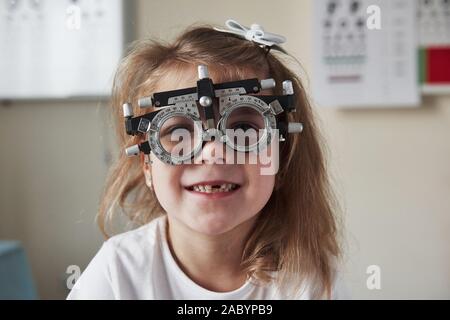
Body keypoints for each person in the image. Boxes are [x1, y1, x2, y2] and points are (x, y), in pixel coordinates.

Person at [67, 20, 348, 300]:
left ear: (281, 159)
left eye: (244, 130)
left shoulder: (309, 282)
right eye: (178, 132)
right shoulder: (117, 273)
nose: (214, 151)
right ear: (147, 164)